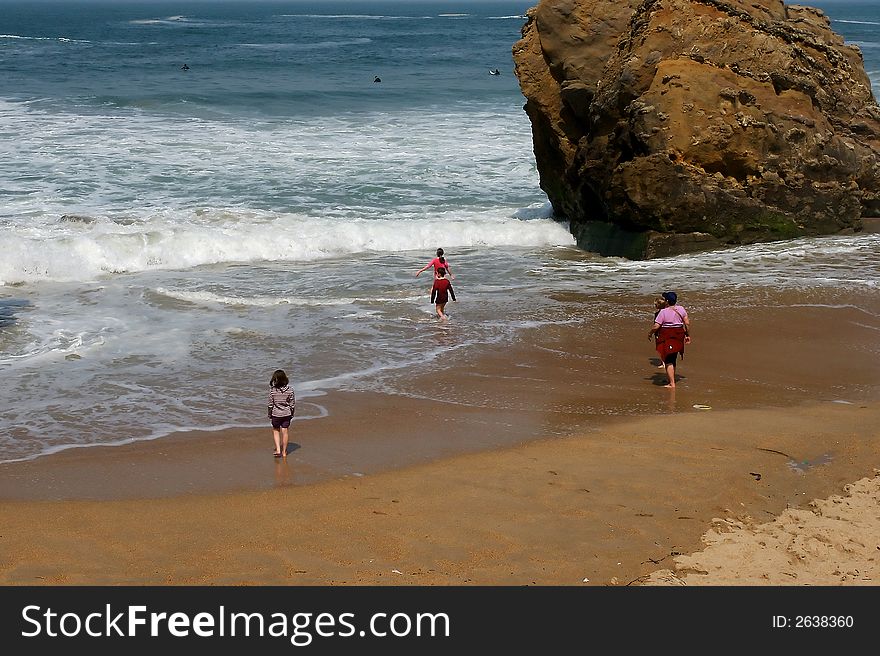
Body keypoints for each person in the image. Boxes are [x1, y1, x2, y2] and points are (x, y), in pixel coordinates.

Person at [648, 291, 691, 388]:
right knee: (673, 358)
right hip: (679, 335)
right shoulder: (681, 309)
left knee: (668, 359)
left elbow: (656, 326)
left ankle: (672, 383)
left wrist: (650, 333)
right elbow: (687, 323)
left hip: (668, 336)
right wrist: (687, 335)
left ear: (667, 301)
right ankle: (670, 379)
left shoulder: (663, 312)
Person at [267, 369, 295, 457]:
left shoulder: (273, 390)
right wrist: (292, 413)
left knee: (276, 431)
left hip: (276, 414)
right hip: (287, 413)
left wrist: (269, 414)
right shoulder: (290, 390)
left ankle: (278, 449)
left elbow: (270, 405)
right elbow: (292, 404)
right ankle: (284, 452)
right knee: (285, 432)